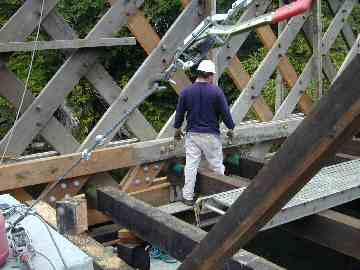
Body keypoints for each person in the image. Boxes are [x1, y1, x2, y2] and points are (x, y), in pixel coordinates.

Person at [173, 59, 235, 206]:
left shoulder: (186, 91)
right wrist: (231, 127)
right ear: (210, 75)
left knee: (191, 165)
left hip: (192, 134)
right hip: (210, 135)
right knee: (217, 165)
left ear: (199, 73)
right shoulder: (216, 91)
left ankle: (187, 197)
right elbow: (225, 113)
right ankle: (222, 197)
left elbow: (180, 113)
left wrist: (177, 129)